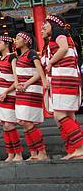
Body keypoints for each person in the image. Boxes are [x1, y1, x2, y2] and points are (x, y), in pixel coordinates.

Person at [43, 14, 83, 160]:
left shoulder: (59, 33)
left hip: (63, 77)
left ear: (53, 24)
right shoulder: (63, 34)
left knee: (59, 115)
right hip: (69, 77)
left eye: (45, 24)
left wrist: (50, 62)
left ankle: (79, 147)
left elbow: (63, 48)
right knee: (69, 115)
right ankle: (73, 150)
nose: (43, 27)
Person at [0, 35, 23, 162]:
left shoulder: (12, 57)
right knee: (5, 126)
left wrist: (6, 91)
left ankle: (18, 153)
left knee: (9, 124)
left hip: (10, 94)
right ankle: (10, 153)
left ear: (7, 44)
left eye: (0, 42)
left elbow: (16, 77)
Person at [13, 32, 48, 161]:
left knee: (27, 122)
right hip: (23, 91)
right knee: (23, 121)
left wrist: (26, 83)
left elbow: (39, 71)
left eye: (18, 38)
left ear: (26, 41)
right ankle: (34, 153)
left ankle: (42, 152)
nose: (15, 40)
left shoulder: (32, 53)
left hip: (32, 89)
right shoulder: (19, 56)